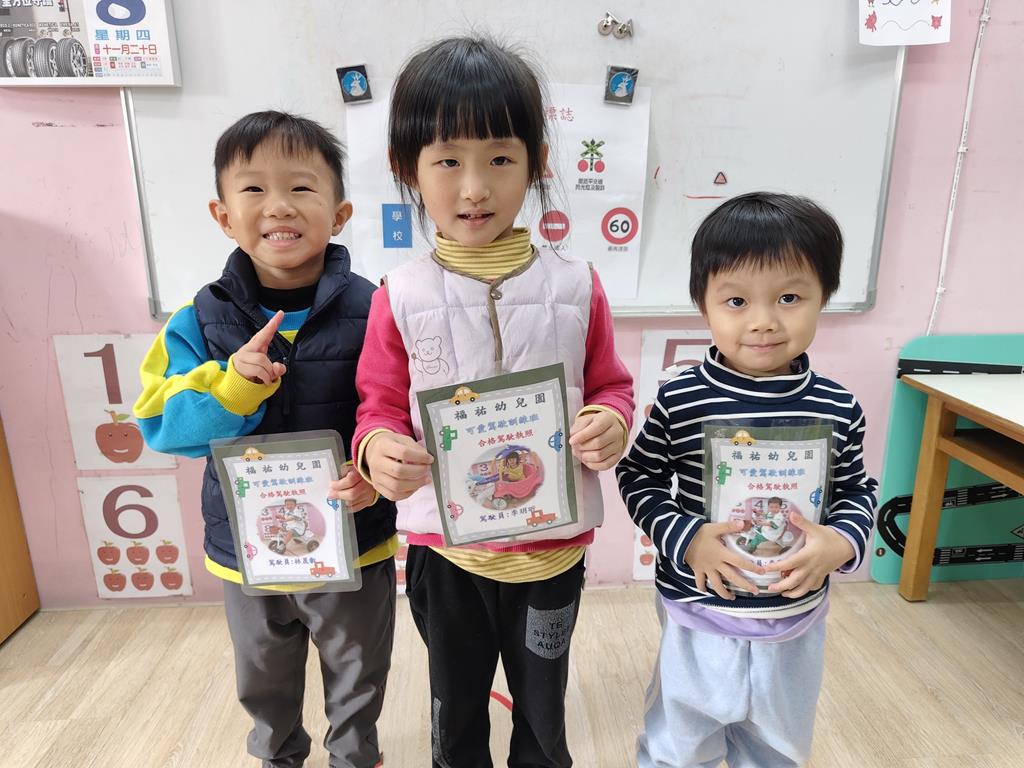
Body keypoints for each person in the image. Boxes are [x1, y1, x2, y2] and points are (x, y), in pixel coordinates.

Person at [351, 36, 635, 768]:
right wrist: (379, 448)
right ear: (407, 168)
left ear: (536, 163)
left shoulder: (577, 285)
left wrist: (610, 420)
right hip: (447, 556)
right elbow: (378, 407)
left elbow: (610, 383)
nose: (474, 187)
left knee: (543, 712)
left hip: (552, 549)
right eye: (448, 161)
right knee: (455, 708)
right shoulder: (398, 295)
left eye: (500, 159)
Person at [132, 110, 396, 768]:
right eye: (254, 189)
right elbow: (160, 423)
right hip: (248, 550)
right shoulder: (199, 318)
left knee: (358, 673)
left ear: (340, 214)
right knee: (263, 675)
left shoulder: (379, 308)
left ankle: (355, 758)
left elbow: (399, 415)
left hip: (354, 539)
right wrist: (231, 389)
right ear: (223, 216)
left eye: (302, 187)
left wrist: (373, 472)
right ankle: (278, 756)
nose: (278, 205)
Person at [617, 192, 877, 768]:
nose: (763, 321)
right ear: (704, 304)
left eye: (789, 298)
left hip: (794, 616)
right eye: (736, 300)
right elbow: (639, 476)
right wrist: (688, 538)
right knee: (678, 745)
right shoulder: (681, 397)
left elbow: (859, 490)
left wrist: (841, 542)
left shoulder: (838, 407)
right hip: (698, 608)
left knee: (778, 747)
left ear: (824, 296)